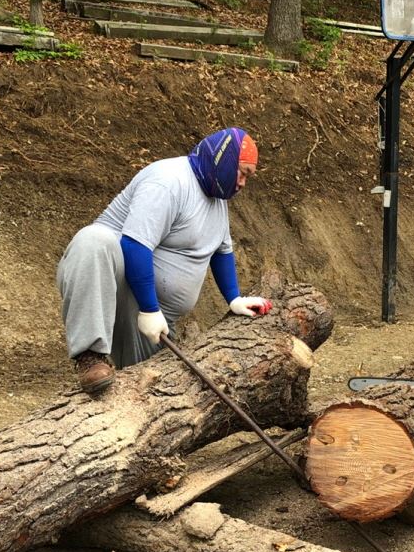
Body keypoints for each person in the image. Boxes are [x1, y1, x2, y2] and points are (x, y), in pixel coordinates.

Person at [57, 127, 273, 396]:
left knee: (146, 393)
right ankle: (90, 357)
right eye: (243, 173)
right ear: (224, 160)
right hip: (119, 295)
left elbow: (221, 251)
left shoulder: (216, 201)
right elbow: (135, 244)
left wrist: (234, 298)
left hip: (157, 321)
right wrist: (148, 308)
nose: (242, 183)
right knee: (93, 239)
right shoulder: (169, 181)